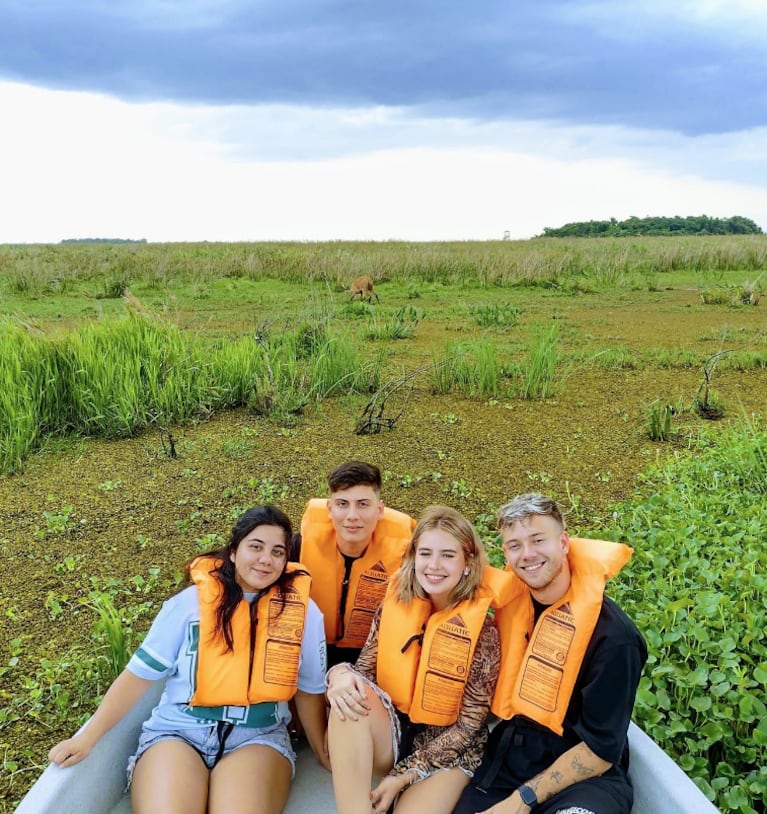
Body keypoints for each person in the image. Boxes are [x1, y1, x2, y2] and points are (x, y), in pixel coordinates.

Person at [49, 505, 330, 814]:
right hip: (177, 733)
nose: (266, 559)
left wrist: (321, 751)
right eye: (256, 547)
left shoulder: (305, 614)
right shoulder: (185, 606)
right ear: (233, 552)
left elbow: (309, 691)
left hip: (257, 739)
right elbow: (137, 676)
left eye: (278, 552)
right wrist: (86, 738)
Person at [453, 493, 648, 814]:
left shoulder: (615, 638)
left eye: (537, 540)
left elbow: (600, 751)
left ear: (564, 542)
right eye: (515, 545)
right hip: (507, 765)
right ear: (506, 553)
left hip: (586, 781)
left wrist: (520, 802)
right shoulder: (508, 612)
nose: (527, 555)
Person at [325, 505, 514, 814]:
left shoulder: (484, 633)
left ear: (468, 563)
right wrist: (340, 675)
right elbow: (362, 671)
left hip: (451, 751)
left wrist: (401, 776)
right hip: (395, 733)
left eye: (448, 555)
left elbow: (468, 728)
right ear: (414, 558)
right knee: (350, 697)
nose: (434, 565)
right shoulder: (393, 608)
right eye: (425, 553)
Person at [292, 460, 416, 667]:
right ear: (330, 509)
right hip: (309, 654)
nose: (352, 516)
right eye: (342, 504)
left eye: (363, 504)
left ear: (380, 510)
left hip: (371, 659)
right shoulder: (297, 548)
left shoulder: (407, 559)